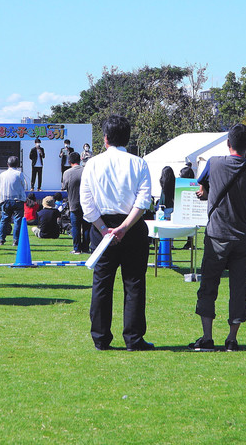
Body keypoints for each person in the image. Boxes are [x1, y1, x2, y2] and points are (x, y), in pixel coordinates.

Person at [79, 114, 155, 351]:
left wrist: (103, 229)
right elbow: (143, 202)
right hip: (131, 226)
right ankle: (133, 339)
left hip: (101, 225)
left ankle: (100, 338)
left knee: (101, 283)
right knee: (134, 283)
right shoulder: (139, 163)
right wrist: (123, 227)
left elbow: (87, 202)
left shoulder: (91, 163)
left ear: (105, 139)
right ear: (127, 138)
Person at [188, 124, 246, 352]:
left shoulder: (214, 162)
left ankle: (207, 337)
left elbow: (203, 184)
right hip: (243, 236)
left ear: (228, 143)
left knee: (209, 285)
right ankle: (231, 339)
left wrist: (207, 194)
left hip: (217, 234)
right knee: (239, 289)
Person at [0, 156, 28, 247]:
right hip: (18, 200)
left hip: (5, 200)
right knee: (17, 221)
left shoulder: (2, 174)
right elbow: (24, 185)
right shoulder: (19, 174)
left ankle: (1, 239)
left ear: (7, 164)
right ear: (17, 164)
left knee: (4, 220)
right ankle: (16, 240)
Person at [62, 152, 87, 254]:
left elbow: (64, 187)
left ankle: (77, 249)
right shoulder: (86, 171)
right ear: (80, 160)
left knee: (75, 227)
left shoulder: (67, 173)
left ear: (69, 161)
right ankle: (86, 248)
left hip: (73, 203)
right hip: (86, 204)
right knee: (86, 227)